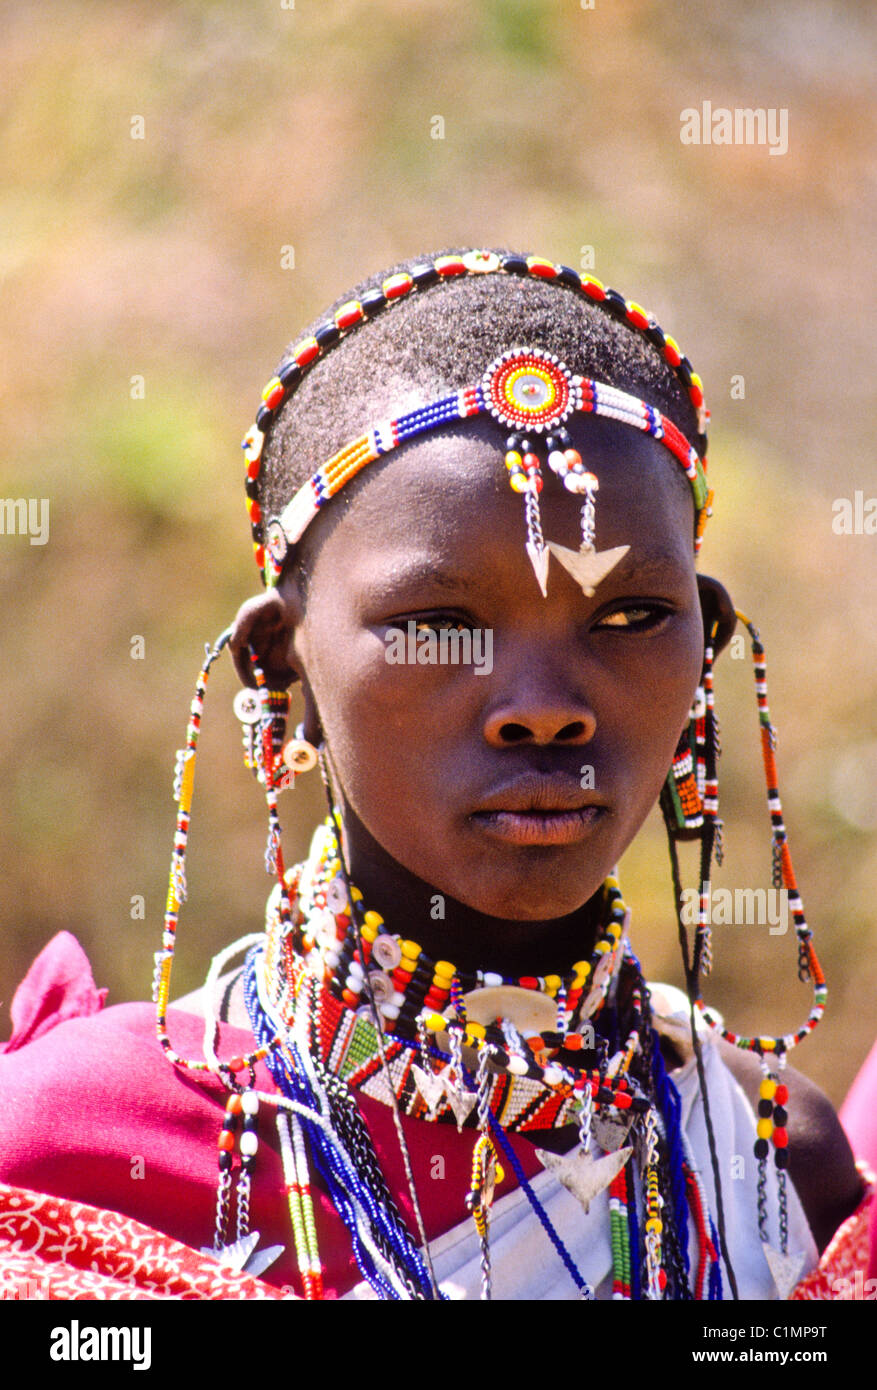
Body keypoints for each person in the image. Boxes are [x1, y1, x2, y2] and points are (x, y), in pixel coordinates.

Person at [0, 249, 869, 1301]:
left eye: (630, 617)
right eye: (438, 625)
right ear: (283, 666)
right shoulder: (78, 1150)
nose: (546, 706)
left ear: (708, 643)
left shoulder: (777, 1178)